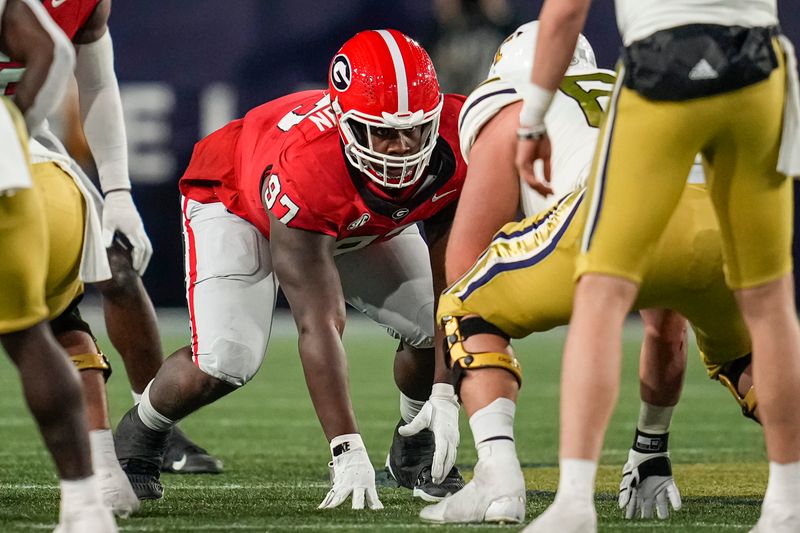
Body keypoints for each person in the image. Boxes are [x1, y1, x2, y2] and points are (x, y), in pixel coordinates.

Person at [113, 29, 468, 508]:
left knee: (436, 320)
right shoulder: (308, 164)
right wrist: (346, 448)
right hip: (239, 202)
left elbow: (457, 285)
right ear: (345, 123)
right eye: (381, 131)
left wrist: (443, 394)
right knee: (226, 360)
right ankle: (142, 431)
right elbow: (318, 322)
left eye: (415, 128)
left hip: (354, 216)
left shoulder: (460, 132)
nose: (402, 147)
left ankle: (414, 443)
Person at [411, 20, 745, 524]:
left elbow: (464, 270)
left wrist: (445, 391)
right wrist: (651, 447)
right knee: (751, 364)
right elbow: (665, 329)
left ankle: (497, 480)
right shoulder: (633, 90)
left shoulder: (516, 104)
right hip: (711, 222)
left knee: (466, 304)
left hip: (602, 216)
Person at [515, 1, 800, 531]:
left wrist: (531, 121)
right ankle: (788, 500)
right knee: (768, 300)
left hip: (662, 64)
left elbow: (564, 13)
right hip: (759, 69)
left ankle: (575, 502)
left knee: (600, 293)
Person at [0, 0, 222, 476]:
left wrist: (118, 192)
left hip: (21, 140)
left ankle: (151, 425)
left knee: (115, 262)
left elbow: (96, 82)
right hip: (14, 138)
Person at [0, 0, 116, 531]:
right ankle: (86, 503)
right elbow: (52, 51)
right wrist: (13, 127)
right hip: (14, 167)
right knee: (30, 335)